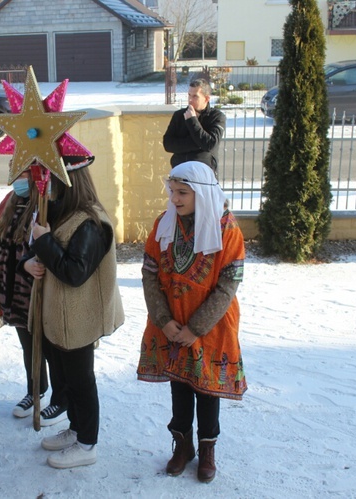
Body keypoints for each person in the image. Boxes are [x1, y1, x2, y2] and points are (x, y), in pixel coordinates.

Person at [137, 161, 247, 483]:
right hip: (171, 324)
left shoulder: (227, 229)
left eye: (182, 192)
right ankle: (182, 447)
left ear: (202, 192)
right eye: (172, 191)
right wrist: (164, 319)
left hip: (211, 327)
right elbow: (150, 272)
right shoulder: (165, 224)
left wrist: (195, 328)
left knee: (208, 387)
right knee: (179, 386)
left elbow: (228, 284)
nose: (175, 199)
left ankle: (207, 449)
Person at [23, 157, 124, 469]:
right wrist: (27, 262)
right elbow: (36, 249)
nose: (43, 186)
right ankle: (76, 429)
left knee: (81, 380)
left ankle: (87, 443)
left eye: (48, 179)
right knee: (64, 376)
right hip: (56, 316)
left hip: (79, 318)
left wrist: (45, 242)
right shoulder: (59, 211)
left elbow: (74, 272)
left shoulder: (90, 222)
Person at [0, 170, 68, 426]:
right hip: (14, 287)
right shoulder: (11, 202)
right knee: (28, 345)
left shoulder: (47, 203)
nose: (16, 178)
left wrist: (34, 260)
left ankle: (61, 399)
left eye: (22, 172)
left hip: (36, 289)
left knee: (51, 349)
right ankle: (36, 390)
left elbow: (51, 244)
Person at [163, 79, 226, 172]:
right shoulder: (179, 115)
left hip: (203, 173)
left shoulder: (216, 116)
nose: (190, 100)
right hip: (180, 171)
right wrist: (199, 144)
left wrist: (192, 120)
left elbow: (210, 144)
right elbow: (168, 144)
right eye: (189, 95)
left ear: (207, 98)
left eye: (195, 96)